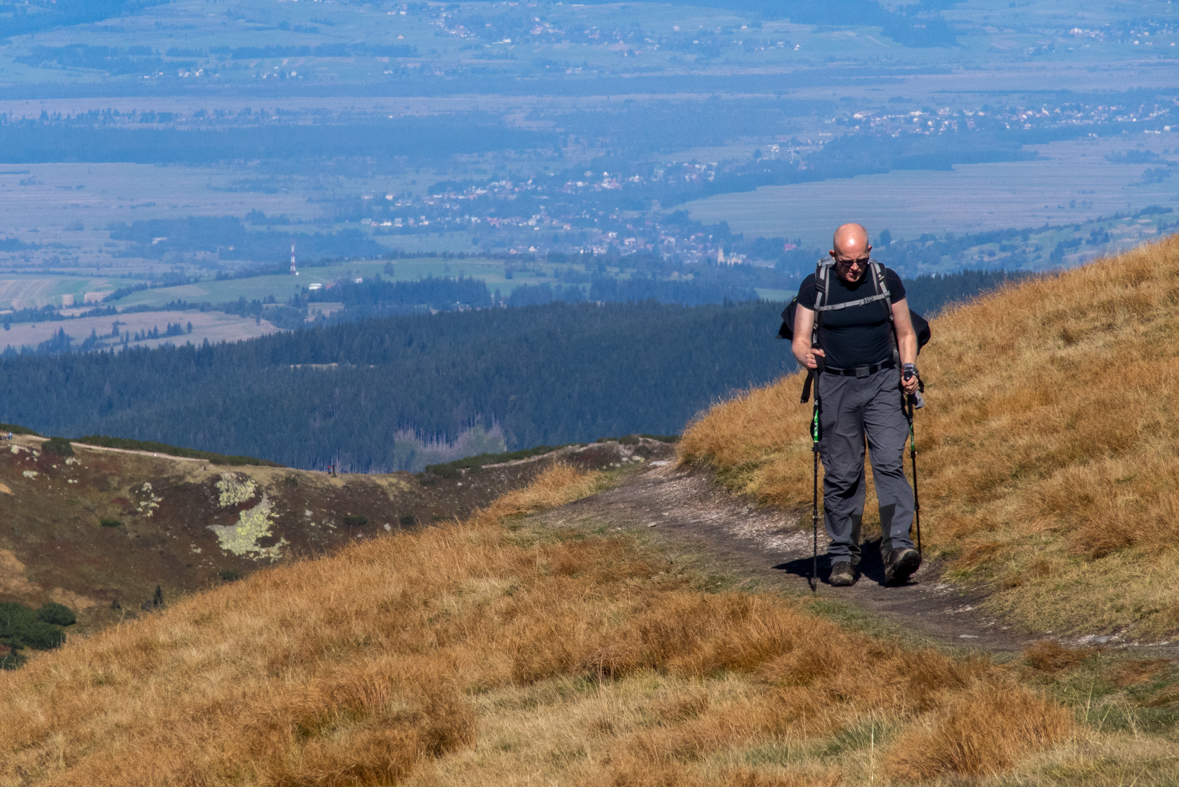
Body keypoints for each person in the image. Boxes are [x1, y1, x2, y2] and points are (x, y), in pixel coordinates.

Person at [790, 223, 922, 587]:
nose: (854, 268)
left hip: (882, 380)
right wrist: (808, 357)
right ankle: (843, 556)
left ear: (870, 251)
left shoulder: (886, 280)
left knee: (888, 463)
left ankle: (898, 548)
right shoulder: (815, 287)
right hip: (836, 385)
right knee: (843, 472)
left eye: (861, 260)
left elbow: (906, 331)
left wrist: (908, 369)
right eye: (847, 262)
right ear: (834, 256)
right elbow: (799, 340)